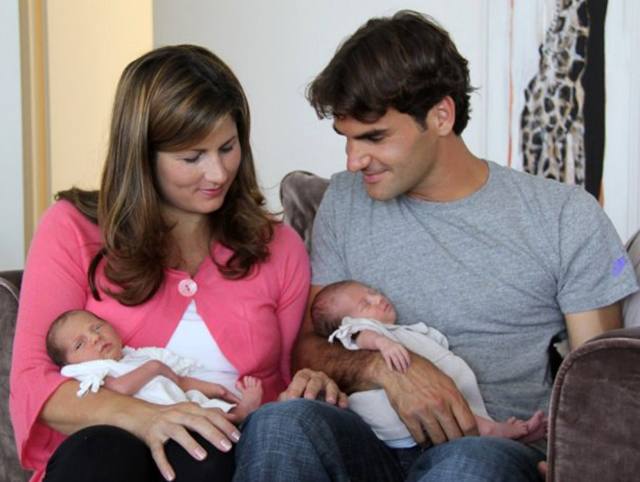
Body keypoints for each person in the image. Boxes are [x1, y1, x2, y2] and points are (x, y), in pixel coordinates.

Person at [237, 10, 639, 482]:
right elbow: (308, 347)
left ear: (441, 116)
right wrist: (387, 370)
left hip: (491, 446)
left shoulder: (562, 215)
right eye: (346, 139)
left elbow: (598, 382)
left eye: (374, 137)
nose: (353, 160)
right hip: (369, 438)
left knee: (465, 467)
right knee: (279, 425)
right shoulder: (345, 201)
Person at [9, 45, 345, 482]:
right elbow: (34, 381)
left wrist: (314, 382)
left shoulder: (278, 247)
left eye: (227, 147)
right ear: (142, 156)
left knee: (204, 452)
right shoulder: (71, 229)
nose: (218, 173)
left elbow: (288, 379)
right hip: (102, 453)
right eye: (192, 157)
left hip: (225, 452)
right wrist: (148, 417)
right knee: (100, 453)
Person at [311, 280, 547, 448]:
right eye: (365, 304)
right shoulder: (362, 331)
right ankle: (493, 431)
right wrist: (383, 344)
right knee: (456, 413)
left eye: (373, 292)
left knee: (458, 409)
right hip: (399, 409)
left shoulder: (401, 331)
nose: (378, 299)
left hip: (432, 400)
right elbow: (360, 334)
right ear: (347, 321)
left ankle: (508, 436)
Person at [46, 309, 263, 421]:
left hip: (180, 402)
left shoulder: (139, 356)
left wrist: (217, 389)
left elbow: (178, 380)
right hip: (149, 418)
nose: (95, 338)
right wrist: (153, 368)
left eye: (97, 327)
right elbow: (118, 389)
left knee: (207, 408)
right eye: (80, 344)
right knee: (203, 416)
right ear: (69, 363)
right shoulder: (91, 371)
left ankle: (241, 411)